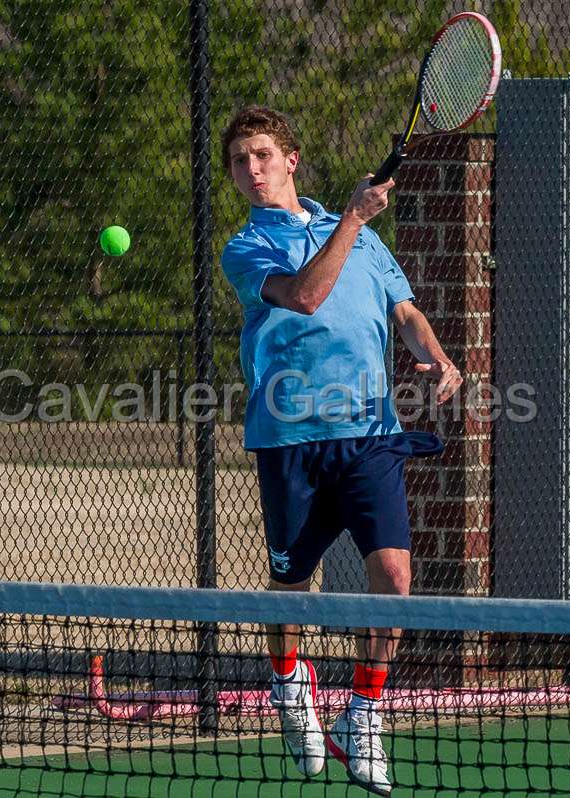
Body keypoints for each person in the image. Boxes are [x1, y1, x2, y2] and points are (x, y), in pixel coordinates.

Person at [219, 105, 463, 796]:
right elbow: (303, 295)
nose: (253, 169)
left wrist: (438, 358)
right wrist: (353, 221)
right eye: (241, 161)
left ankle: (365, 709)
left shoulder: (356, 234)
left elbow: (403, 311)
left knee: (394, 576)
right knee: (289, 590)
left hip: (370, 437)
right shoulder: (245, 249)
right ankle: (290, 684)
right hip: (290, 440)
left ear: (291, 160)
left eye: (263, 154)